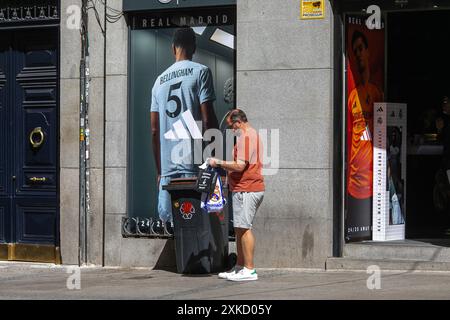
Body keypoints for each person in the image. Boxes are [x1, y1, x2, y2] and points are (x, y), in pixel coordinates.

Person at [150, 27, 218, 234]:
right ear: (194, 47)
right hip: (194, 163)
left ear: (173, 48)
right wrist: (214, 157)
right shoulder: (201, 72)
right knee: (198, 222)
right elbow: (208, 120)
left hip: (168, 169)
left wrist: (160, 172)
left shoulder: (158, 82)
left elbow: (154, 130)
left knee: (170, 223)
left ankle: (179, 263)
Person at [208, 109, 265, 281]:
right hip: (245, 188)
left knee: (245, 228)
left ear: (238, 122)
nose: (232, 130)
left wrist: (218, 162)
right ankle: (241, 267)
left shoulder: (246, 137)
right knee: (240, 229)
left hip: (247, 188)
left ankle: (249, 270)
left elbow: (240, 166)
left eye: (232, 126)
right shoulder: (252, 135)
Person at [346, 30, 384, 241]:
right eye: (355, 50)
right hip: (353, 182)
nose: (359, 54)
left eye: (361, 49)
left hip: (373, 177)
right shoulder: (352, 96)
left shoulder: (377, 93)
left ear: (368, 52)